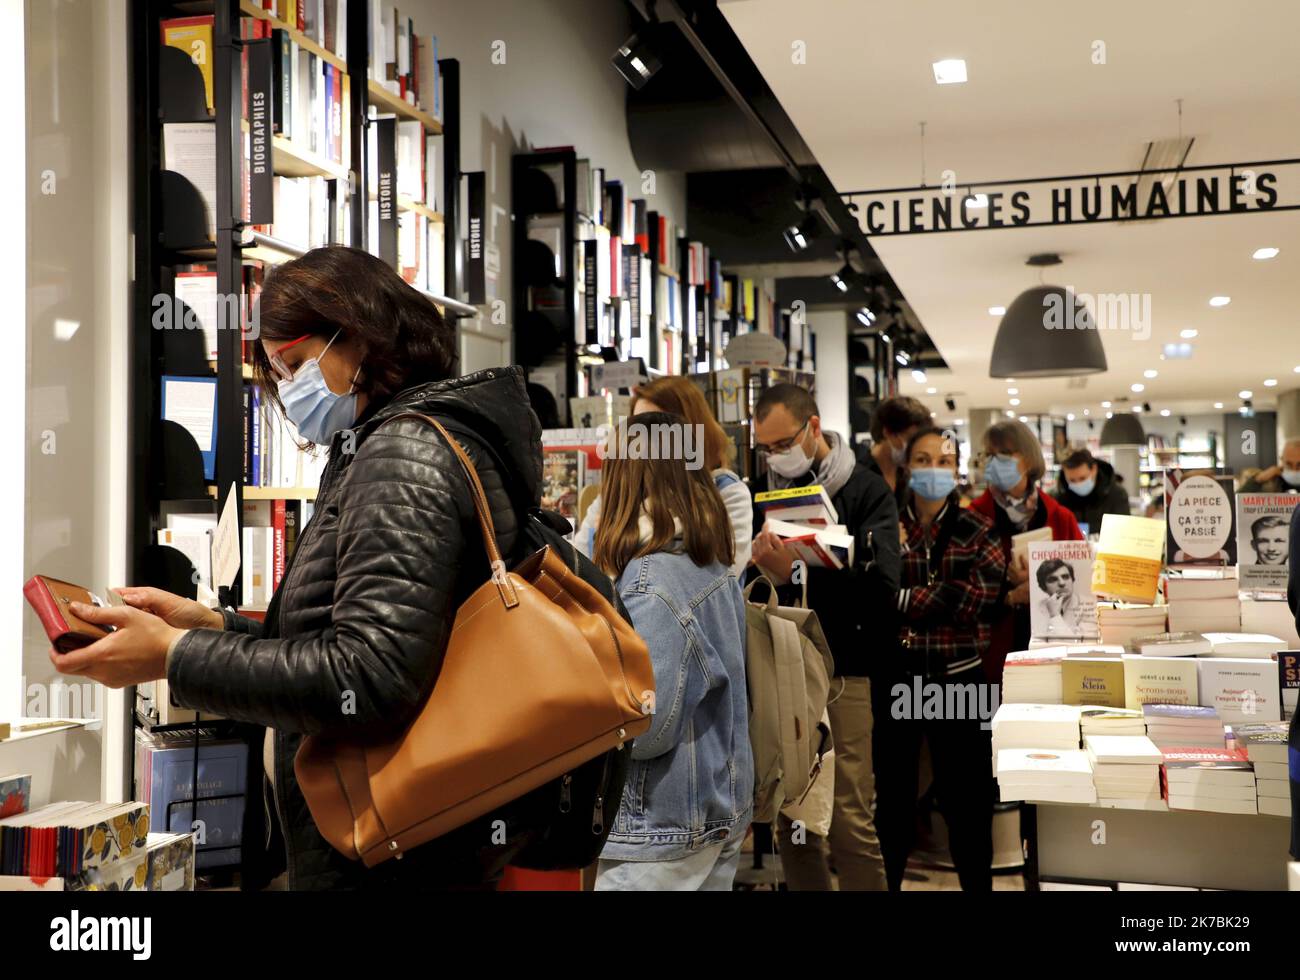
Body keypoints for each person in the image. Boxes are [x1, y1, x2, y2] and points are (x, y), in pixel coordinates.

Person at [52, 246, 542, 891]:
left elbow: (368, 680)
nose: (287, 388)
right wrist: (211, 626)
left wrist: (175, 658)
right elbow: (347, 642)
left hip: (394, 848)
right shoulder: (390, 441)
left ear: (360, 336)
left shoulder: (403, 455)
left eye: (294, 362)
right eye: (276, 370)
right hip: (403, 834)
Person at [591, 413, 752, 890]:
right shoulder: (710, 566)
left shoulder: (649, 582)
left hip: (659, 827)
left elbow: (646, 729)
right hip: (713, 812)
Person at [749, 383, 900, 891]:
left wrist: (798, 569)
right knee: (792, 817)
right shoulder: (761, 490)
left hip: (844, 671)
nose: (774, 457)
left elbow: (882, 589)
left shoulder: (866, 490)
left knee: (848, 818)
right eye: (765, 448)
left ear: (813, 427)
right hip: (781, 667)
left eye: (782, 443)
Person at [874, 427, 1006, 891]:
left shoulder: (978, 528)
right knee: (892, 802)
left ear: (956, 470)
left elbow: (974, 601)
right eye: (923, 459)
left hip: (962, 681)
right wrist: (931, 596)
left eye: (943, 461)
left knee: (968, 805)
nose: (933, 469)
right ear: (908, 466)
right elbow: (874, 597)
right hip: (900, 680)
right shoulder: (884, 524)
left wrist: (903, 599)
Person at [576, 376, 752, 577]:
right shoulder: (619, 493)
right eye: (636, 428)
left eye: (659, 428)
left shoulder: (726, 492)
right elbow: (577, 563)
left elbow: (722, 578)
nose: (644, 441)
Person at [971, 420, 1082, 681]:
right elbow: (962, 594)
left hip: (1054, 649)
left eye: (1006, 454)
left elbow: (1085, 588)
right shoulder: (972, 518)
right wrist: (1009, 595)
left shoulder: (1060, 517)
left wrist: (1039, 584)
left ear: (1030, 460)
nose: (995, 462)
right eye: (989, 455)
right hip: (991, 655)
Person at [862, 395, 931, 506]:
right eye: (911, 440)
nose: (914, 449)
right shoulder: (859, 477)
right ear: (888, 432)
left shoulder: (906, 477)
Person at [1053, 448, 1130, 535]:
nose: (1078, 484)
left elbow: (1122, 530)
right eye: (1072, 480)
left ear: (1094, 469)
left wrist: (1079, 529)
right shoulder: (1059, 497)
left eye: (1082, 478)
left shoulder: (1117, 494)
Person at [1034, 558, 1086, 635]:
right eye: (1053, 579)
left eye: (1065, 577)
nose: (1061, 583)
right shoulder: (1037, 608)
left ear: (1072, 580)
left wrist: (1055, 615)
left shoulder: (1089, 606)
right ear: (1044, 588)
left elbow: (1075, 644)